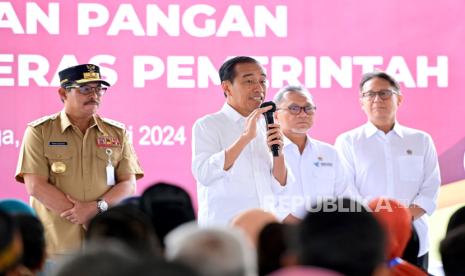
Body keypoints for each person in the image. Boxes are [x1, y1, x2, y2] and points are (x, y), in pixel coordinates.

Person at [15, 64, 144, 257]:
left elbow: (128, 183)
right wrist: (82, 215)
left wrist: (96, 208)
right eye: (85, 89)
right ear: (63, 93)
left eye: (99, 89)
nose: (94, 95)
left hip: (105, 245)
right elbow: (35, 185)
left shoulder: (117, 133)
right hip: (57, 245)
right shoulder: (39, 132)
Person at [334, 71, 441, 270]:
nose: (377, 99)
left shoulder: (420, 140)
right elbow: (346, 191)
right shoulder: (347, 142)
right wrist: (381, 221)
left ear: (398, 99)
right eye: (370, 94)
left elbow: (430, 190)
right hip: (367, 235)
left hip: (414, 235)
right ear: (361, 102)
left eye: (384, 93)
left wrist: (400, 220)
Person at [192, 56, 291, 226]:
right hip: (224, 232)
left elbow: (281, 186)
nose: (258, 88)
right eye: (249, 81)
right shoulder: (208, 125)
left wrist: (278, 154)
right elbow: (204, 174)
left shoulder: (268, 124)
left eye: (262, 81)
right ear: (227, 87)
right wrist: (245, 138)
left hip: (265, 230)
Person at [273, 85, 351, 221]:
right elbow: (263, 197)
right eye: (294, 108)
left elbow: (344, 197)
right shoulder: (266, 153)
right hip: (280, 233)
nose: (303, 114)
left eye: (308, 108)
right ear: (276, 115)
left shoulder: (329, 153)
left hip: (324, 235)